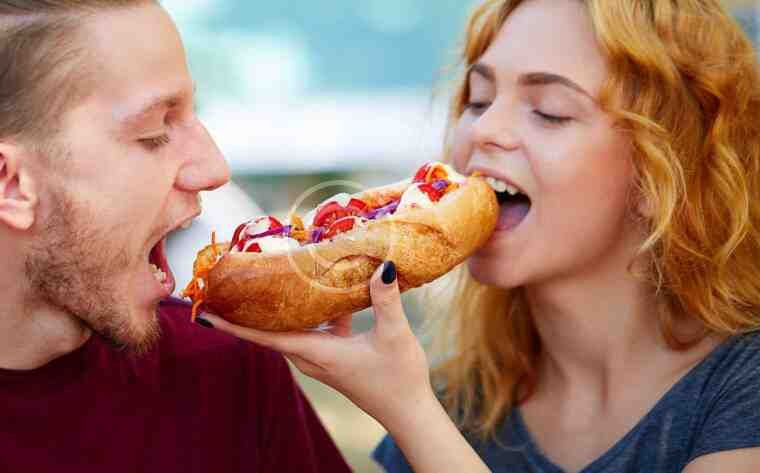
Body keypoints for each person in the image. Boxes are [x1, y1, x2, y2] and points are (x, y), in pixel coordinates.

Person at [202, 0, 760, 472]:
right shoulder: (456, 403)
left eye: (550, 112)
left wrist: (411, 415)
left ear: (664, 170)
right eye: (477, 99)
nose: (484, 129)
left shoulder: (743, 384)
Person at [0, 1, 352, 472]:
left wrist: (402, 403)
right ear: (8, 183)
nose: (214, 169)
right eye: (154, 132)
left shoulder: (225, 366)